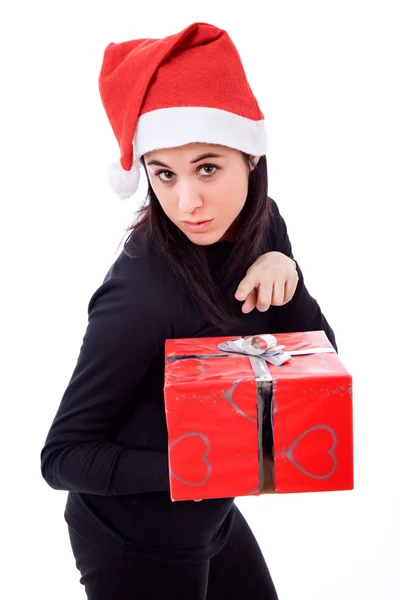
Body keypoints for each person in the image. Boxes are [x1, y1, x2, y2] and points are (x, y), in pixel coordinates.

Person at [40, 21, 337, 600]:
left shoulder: (261, 222)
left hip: (210, 513)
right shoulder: (142, 294)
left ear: (251, 157)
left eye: (207, 167)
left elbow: (318, 370)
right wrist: (204, 467)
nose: (187, 203)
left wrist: (285, 269)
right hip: (133, 539)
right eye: (164, 174)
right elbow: (62, 457)